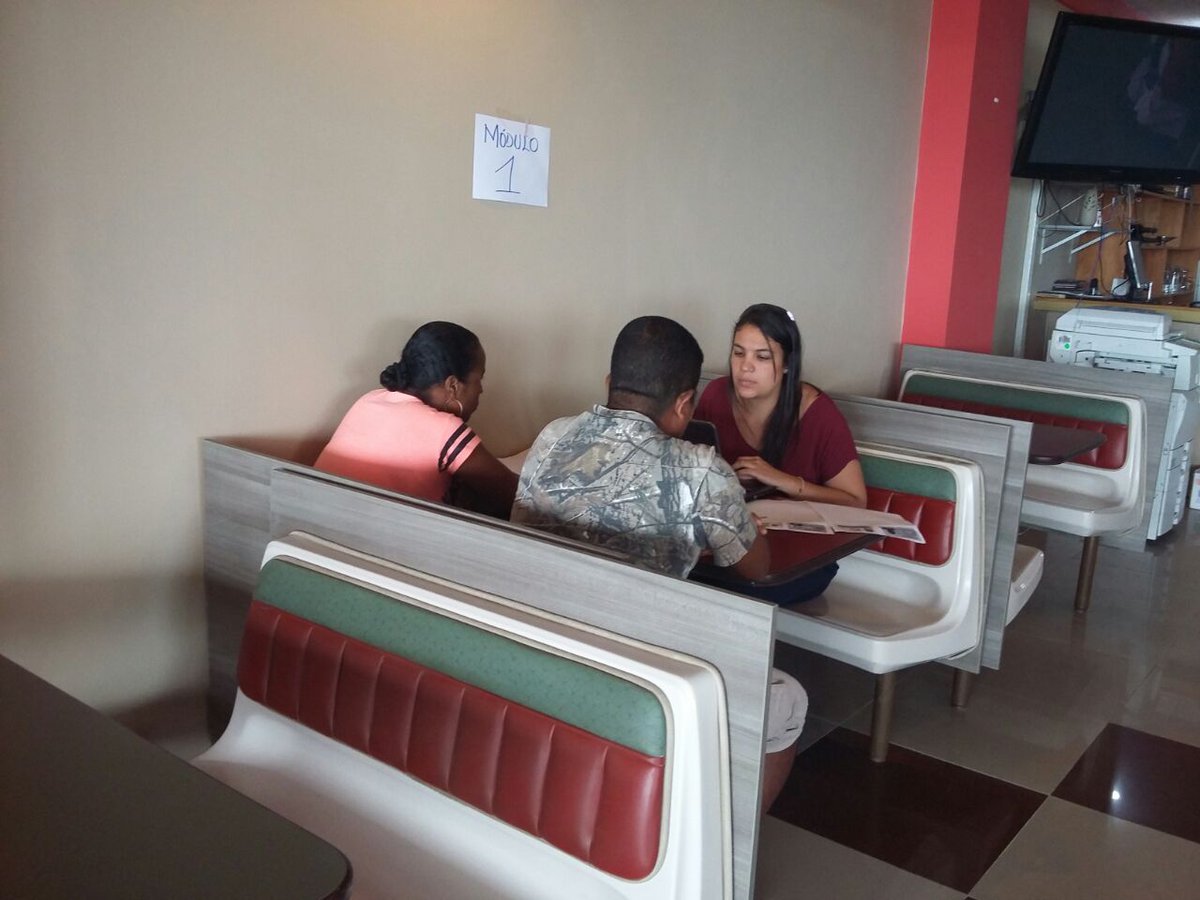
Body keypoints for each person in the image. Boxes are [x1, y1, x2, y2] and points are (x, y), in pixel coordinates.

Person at [512, 315, 804, 810]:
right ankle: (727, 847)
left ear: (609, 382)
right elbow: (756, 568)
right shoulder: (700, 469)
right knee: (787, 698)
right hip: (630, 670)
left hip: (537, 641)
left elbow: (523, 522)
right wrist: (731, 519)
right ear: (685, 403)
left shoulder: (552, 437)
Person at [695, 303, 867, 603]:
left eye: (762, 357)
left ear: (788, 363)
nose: (745, 367)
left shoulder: (818, 414)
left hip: (802, 559)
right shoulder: (715, 395)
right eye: (738, 353)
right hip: (736, 545)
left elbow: (856, 502)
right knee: (688, 577)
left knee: (741, 593)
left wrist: (781, 480)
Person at [314, 321, 517, 519]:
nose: (481, 390)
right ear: (453, 385)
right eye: (478, 380)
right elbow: (519, 498)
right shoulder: (444, 429)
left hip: (311, 522)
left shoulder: (369, 400)